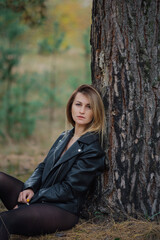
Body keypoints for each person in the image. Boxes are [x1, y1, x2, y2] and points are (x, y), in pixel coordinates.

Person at [0, 84, 106, 239]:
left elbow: (69, 189)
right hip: (41, 196)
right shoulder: (65, 136)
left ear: (95, 112)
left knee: (4, 220)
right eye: (78, 104)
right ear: (71, 107)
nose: (82, 111)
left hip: (61, 209)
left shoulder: (92, 149)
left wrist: (32, 199)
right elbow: (43, 167)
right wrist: (30, 187)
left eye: (88, 107)